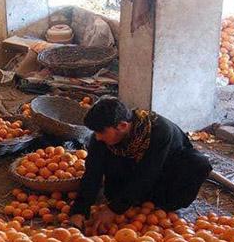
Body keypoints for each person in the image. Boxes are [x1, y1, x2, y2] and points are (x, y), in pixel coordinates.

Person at [68, 97, 212, 234]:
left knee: (198, 163)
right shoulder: (100, 138)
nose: (98, 137)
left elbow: (148, 173)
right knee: (114, 190)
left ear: (123, 126)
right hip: (136, 170)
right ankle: (134, 199)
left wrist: (114, 209)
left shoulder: (160, 131)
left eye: (101, 132)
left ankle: (158, 203)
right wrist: (79, 210)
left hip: (165, 170)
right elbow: (93, 173)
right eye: (96, 132)